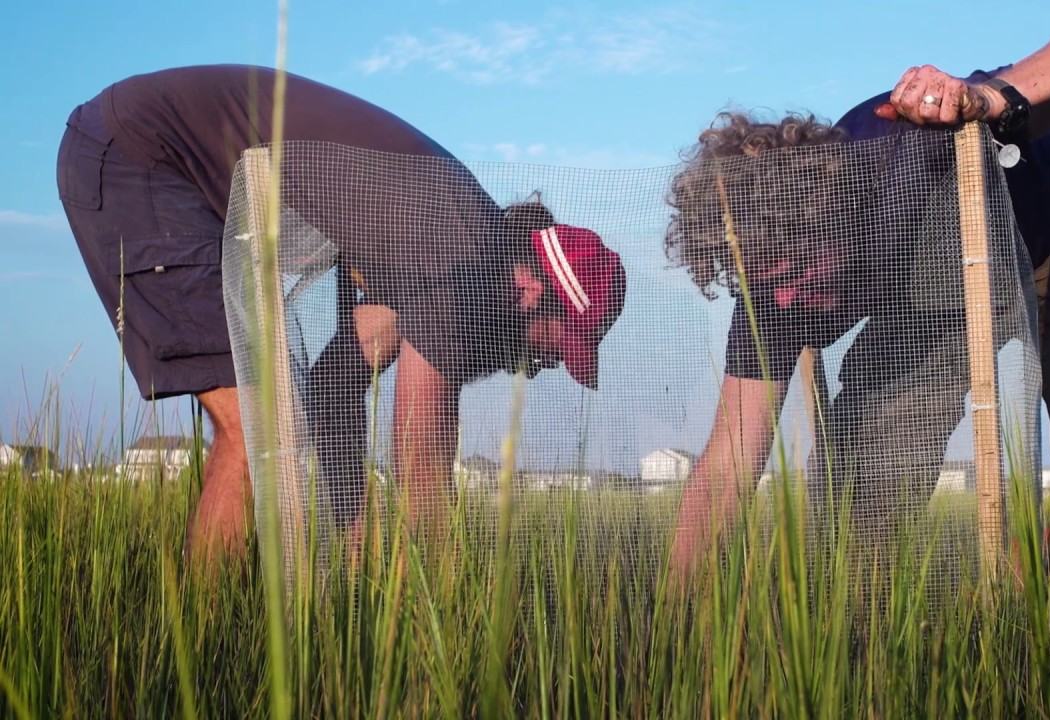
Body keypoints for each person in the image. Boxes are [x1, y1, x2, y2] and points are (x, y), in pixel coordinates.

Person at [668, 12, 1050, 576]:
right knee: (866, 450)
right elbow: (726, 466)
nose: (784, 299)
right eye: (765, 281)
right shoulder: (772, 295)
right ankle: (866, 616)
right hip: (942, 293)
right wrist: (674, 618)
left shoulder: (908, 146)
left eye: (796, 272)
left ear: (836, 220)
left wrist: (988, 100)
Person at [56, 64, 627, 567]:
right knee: (262, 426)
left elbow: (332, 389)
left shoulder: (436, 249)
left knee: (283, 412)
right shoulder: (465, 257)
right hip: (143, 155)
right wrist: (441, 618)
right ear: (530, 287)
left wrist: (362, 555)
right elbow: (420, 454)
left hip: (153, 151)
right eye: (557, 345)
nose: (543, 364)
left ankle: (244, 616)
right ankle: (208, 643)